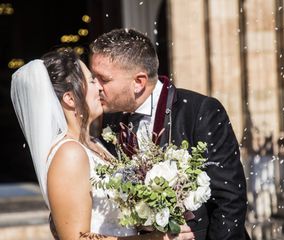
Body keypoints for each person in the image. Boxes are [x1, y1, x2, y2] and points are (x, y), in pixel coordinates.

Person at [11, 49, 194, 240]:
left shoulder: (95, 143)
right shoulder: (69, 153)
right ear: (70, 98)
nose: (99, 87)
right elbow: (77, 238)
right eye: (91, 81)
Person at [90, 28, 251, 240]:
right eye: (94, 77)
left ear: (139, 82)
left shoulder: (200, 111)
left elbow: (230, 201)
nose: (96, 87)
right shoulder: (109, 120)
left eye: (104, 79)